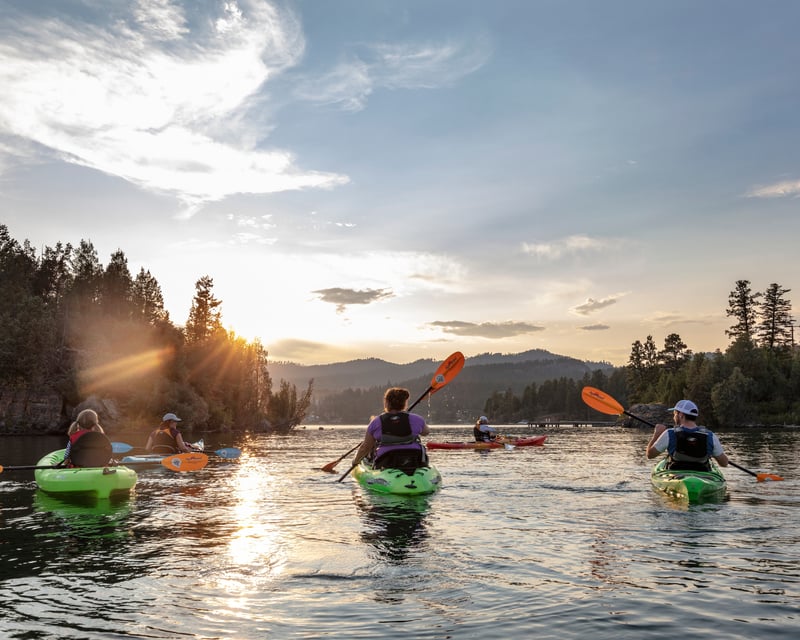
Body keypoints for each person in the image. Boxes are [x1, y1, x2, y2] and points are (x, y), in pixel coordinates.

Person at [352, 387, 430, 473]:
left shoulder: (376, 422)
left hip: (386, 462)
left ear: (386, 402)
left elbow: (366, 447)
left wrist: (355, 462)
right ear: (404, 403)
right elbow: (426, 432)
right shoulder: (417, 419)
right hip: (415, 459)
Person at [645, 399, 729, 471]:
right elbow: (724, 463)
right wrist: (712, 452)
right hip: (702, 474)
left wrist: (656, 434)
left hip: (676, 475)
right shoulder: (710, 436)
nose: (674, 417)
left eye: (675, 413)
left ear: (681, 415)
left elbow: (650, 455)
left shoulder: (669, 433)